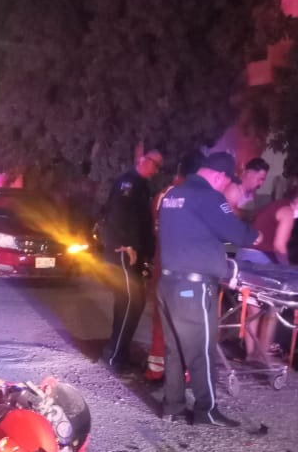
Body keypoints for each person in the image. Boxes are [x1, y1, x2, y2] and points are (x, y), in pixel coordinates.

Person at [157, 152, 261, 427]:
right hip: (193, 287)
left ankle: (173, 407)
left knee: (174, 349)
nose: (226, 187)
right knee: (201, 350)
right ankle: (207, 410)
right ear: (219, 176)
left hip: (167, 284)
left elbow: (197, 234)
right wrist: (256, 235)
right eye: (227, 182)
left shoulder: (172, 195)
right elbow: (235, 233)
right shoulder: (209, 197)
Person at [99, 149, 162, 372]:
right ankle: (114, 355)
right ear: (144, 160)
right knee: (128, 302)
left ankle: (120, 352)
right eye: (155, 164)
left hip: (134, 253)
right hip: (123, 252)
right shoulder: (128, 183)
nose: (156, 170)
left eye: (159, 167)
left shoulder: (141, 185)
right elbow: (117, 215)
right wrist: (127, 245)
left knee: (133, 303)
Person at [144, 150, 204, 381]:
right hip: (186, 270)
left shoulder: (163, 194)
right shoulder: (194, 197)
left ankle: (156, 369)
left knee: (161, 318)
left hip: (163, 264)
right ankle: (183, 372)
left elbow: (155, 227)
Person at [235, 184, 298, 359]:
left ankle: (251, 356)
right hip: (260, 261)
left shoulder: (275, 205)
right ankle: (263, 355)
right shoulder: (287, 212)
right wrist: (286, 270)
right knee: (273, 308)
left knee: (253, 310)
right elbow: (279, 246)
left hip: (244, 258)